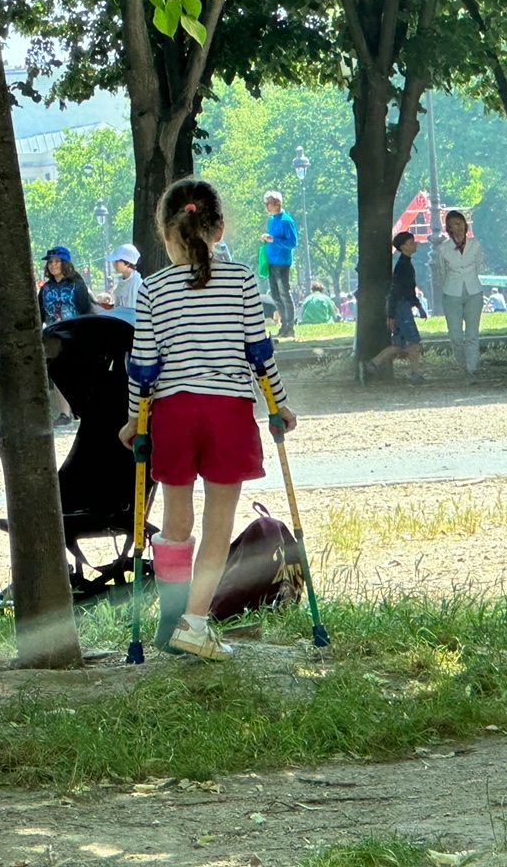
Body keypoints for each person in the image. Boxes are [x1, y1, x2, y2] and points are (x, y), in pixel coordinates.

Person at [120, 177, 296, 662]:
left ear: (166, 233)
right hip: (228, 411)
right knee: (219, 524)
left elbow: (144, 366)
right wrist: (280, 406)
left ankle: (170, 620)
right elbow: (260, 355)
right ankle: (194, 624)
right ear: (219, 229)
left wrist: (136, 420)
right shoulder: (241, 279)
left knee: (176, 522)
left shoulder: (152, 288)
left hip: (175, 413)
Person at [39, 245, 92, 427]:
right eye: (50, 262)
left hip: (75, 333)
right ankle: (64, 413)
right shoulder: (44, 289)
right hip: (53, 335)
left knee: (78, 371)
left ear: (65, 264)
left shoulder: (77, 284)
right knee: (57, 373)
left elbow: (85, 309)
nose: (53, 265)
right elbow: (40, 314)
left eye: (57, 261)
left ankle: (81, 407)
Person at [363, 232, 426, 383]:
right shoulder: (405, 267)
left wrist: (391, 312)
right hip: (402, 307)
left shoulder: (403, 265)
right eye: (411, 243)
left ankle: (373, 364)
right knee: (414, 342)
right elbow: (401, 291)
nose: (415, 244)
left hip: (398, 307)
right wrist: (418, 306)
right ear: (403, 247)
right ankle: (415, 373)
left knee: (398, 345)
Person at [434, 210, 486, 378]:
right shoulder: (443, 249)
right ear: (449, 228)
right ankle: (462, 365)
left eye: (461, 223)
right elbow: (442, 272)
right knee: (455, 334)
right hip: (452, 292)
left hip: (473, 291)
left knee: (472, 333)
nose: (459, 227)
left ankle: (472, 368)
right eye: (455, 224)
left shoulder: (475, 244)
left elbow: (478, 266)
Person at [261, 191, 299, 338]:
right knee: (276, 296)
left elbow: (293, 242)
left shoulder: (286, 221)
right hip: (271, 262)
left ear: (277, 204)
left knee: (284, 294)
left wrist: (274, 240)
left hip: (282, 263)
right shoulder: (271, 219)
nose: (266, 206)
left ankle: (290, 327)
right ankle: (283, 325)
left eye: (268, 203)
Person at [106, 243, 142, 310]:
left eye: (117, 261)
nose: (114, 264)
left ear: (128, 262)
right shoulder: (121, 282)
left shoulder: (136, 283)